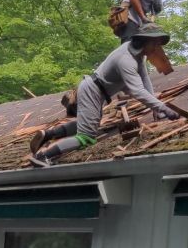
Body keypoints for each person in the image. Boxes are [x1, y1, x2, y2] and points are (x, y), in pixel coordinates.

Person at [29, 23, 180, 168]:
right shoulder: (126, 59)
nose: (156, 48)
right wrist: (163, 108)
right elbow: (138, 90)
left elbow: (144, 79)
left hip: (94, 90)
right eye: (154, 43)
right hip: (93, 91)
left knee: (85, 123)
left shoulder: (137, 54)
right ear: (144, 41)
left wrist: (156, 108)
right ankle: (43, 156)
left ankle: (48, 134)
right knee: (87, 137)